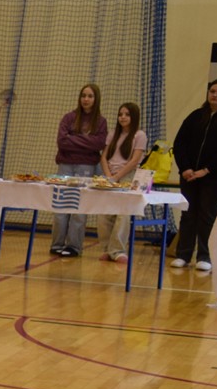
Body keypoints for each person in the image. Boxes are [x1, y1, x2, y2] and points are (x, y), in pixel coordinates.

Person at [170, 77, 217, 274]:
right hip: (189, 175)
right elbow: (180, 143)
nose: (215, 95)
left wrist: (207, 169)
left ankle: (204, 256)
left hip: (214, 178)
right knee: (188, 214)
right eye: (212, 91)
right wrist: (185, 168)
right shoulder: (196, 116)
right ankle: (183, 254)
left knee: (207, 215)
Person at [50, 83, 106, 257]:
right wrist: (85, 141)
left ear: (96, 99)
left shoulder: (101, 122)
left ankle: (74, 246)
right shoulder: (69, 118)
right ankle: (57, 243)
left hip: (86, 168)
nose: (86, 99)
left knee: (79, 208)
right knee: (61, 205)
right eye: (83, 95)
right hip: (65, 166)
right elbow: (62, 141)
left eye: (90, 96)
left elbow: (98, 144)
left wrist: (73, 138)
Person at [96, 102, 148, 263]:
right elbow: (104, 157)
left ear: (134, 117)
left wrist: (117, 176)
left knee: (122, 214)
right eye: (120, 114)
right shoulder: (113, 134)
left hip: (127, 177)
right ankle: (106, 248)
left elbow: (134, 160)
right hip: (110, 176)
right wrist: (108, 176)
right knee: (104, 213)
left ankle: (117, 250)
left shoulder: (139, 135)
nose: (123, 117)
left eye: (127, 114)